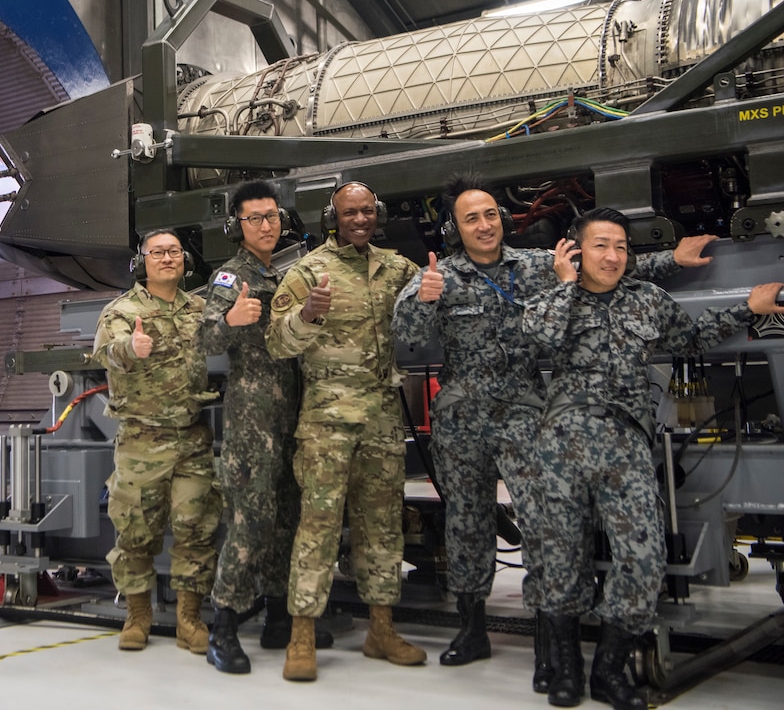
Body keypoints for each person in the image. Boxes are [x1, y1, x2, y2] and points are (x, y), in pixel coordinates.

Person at [390, 173, 718, 691]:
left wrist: (671, 260)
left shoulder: (539, 266)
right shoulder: (439, 276)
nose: (484, 224)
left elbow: (603, 267)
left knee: (545, 527)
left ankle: (550, 648)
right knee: (467, 523)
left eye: (491, 214)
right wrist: (424, 299)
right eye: (471, 217)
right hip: (463, 416)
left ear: (503, 218)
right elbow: (405, 338)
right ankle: (472, 629)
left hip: (526, 412)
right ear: (455, 227)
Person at [523, 207, 784, 709]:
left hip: (625, 442)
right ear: (577, 250)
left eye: (621, 246)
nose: (613, 256)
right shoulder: (552, 301)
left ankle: (608, 670)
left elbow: (690, 339)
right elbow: (538, 340)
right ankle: (567, 670)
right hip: (560, 443)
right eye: (600, 245)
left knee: (643, 559)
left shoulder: (647, 301)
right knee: (559, 560)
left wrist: (748, 307)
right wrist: (564, 283)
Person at [266, 181, 426, 682]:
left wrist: (431, 299)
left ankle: (381, 629)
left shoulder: (399, 269)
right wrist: (308, 313)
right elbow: (277, 342)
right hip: (327, 422)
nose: (359, 219)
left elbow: (421, 324)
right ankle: (302, 636)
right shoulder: (308, 270)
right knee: (318, 528)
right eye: (349, 212)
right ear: (332, 217)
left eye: (366, 211)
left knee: (383, 526)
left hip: (381, 417)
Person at [198, 181, 333, 674]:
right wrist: (231, 320)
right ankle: (225, 627)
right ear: (238, 224)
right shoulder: (231, 277)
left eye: (272, 216)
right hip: (253, 415)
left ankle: (280, 615)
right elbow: (206, 338)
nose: (265, 225)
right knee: (250, 520)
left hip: (297, 409)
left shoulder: (293, 271)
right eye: (254, 218)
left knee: (289, 516)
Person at [92, 229, 222, 655]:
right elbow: (104, 354)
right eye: (157, 253)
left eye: (174, 252)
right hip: (141, 441)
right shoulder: (122, 310)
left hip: (192, 438)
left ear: (184, 260)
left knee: (196, 530)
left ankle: (189, 619)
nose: (167, 259)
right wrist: (131, 346)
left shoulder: (200, 309)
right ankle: (138, 616)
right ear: (142, 261)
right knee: (135, 533)